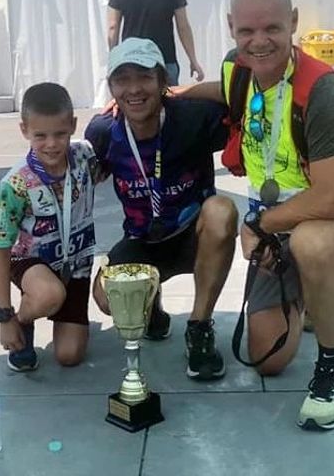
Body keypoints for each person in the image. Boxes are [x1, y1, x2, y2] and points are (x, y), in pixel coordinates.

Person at [180, 0, 334, 430]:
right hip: (278, 220)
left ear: (293, 23)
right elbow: (221, 86)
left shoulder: (320, 86)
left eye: (272, 28)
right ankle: (308, 296)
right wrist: (173, 93)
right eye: (247, 31)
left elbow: (330, 198)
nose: (259, 41)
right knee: (266, 357)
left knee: (312, 245)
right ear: (231, 28)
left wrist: (260, 226)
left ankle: (332, 369)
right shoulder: (238, 69)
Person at [85, 37, 236, 381]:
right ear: (110, 87)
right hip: (144, 241)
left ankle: (199, 327)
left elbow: (239, 94)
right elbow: (88, 175)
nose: (134, 89)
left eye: (144, 77)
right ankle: (152, 308)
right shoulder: (103, 131)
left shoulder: (193, 117)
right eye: (122, 80)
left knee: (222, 210)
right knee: (108, 299)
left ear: (161, 81)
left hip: (194, 235)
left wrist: (182, 92)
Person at [0, 83, 98, 372]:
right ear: (24, 130)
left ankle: (54, 305)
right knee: (49, 295)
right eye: (40, 135)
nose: (51, 144)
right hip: (30, 262)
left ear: (73, 126)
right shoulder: (15, 184)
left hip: (75, 265)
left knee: (69, 355)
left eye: (60, 133)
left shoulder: (85, 157)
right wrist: (5, 315)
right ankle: (23, 321)